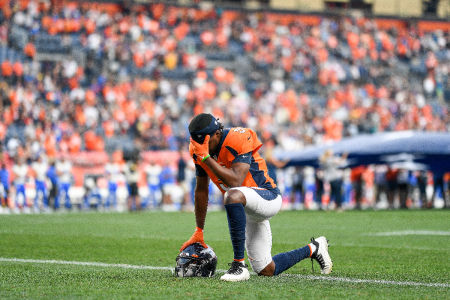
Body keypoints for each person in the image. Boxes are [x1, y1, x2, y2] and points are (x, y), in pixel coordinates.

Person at [180, 113, 332, 282]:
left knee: (232, 194)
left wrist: (206, 159)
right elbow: (201, 190)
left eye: (205, 143)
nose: (202, 147)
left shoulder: (238, 137)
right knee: (266, 269)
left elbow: (236, 180)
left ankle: (239, 265)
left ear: (217, 134)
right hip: (245, 206)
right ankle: (314, 248)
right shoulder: (198, 150)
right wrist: (199, 231)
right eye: (197, 144)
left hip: (268, 197)